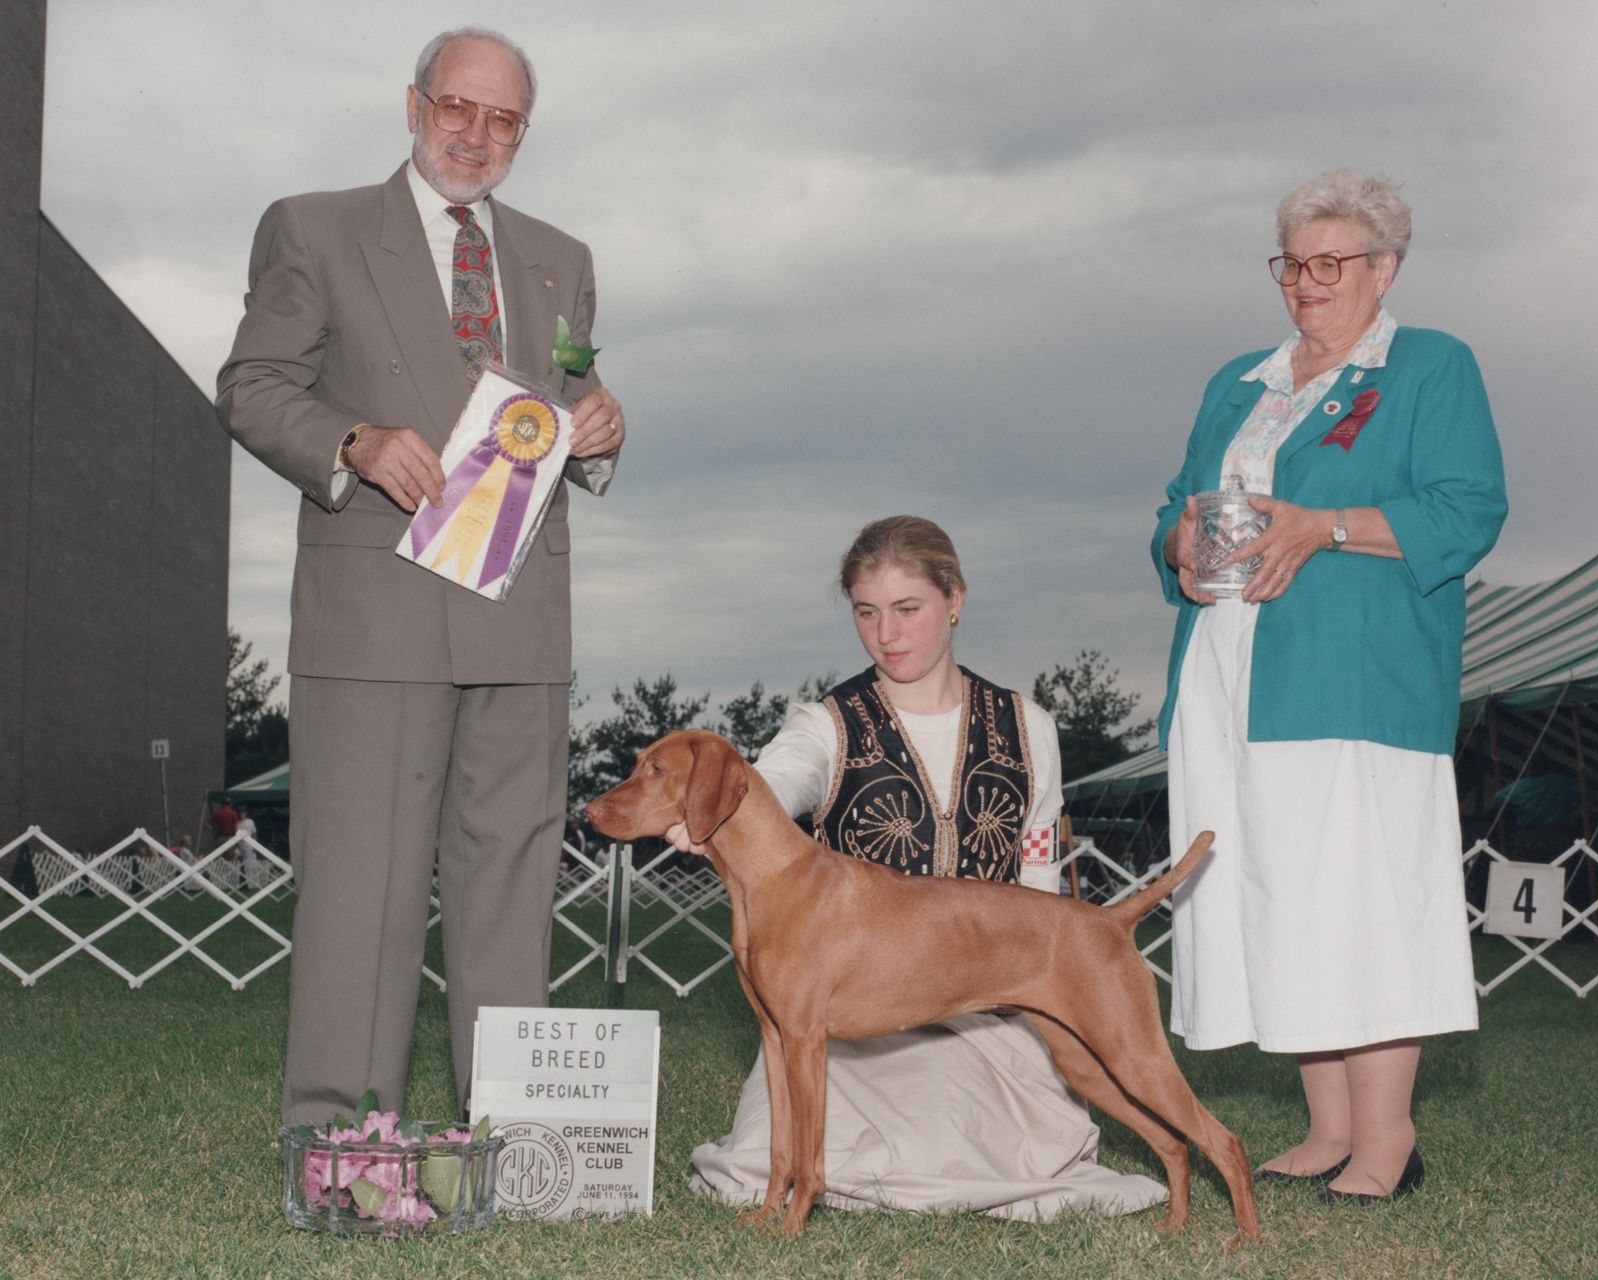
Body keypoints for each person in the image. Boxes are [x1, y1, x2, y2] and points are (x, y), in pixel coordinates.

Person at [217, 26, 626, 1126]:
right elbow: (252, 385)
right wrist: (351, 441)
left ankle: (510, 1139)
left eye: (504, 119)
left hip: (520, 617)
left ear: (522, 133)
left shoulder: (563, 259)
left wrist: (600, 430)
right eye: (457, 107)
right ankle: (343, 1144)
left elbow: (567, 400)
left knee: (511, 892)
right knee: (363, 892)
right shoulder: (314, 228)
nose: (476, 134)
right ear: (413, 106)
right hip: (376, 615)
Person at [1152, 169, 1506, 1202]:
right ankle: (1326, 1127)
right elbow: (1177, 503)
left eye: (1330, 264)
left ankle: (1387, 1138)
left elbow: (1468, 508)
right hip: (1227, 676)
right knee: (1275, 891)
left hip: (1354, 677)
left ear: (1384, 268)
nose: (1306, 283)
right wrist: (1176, 544)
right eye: (1292, 264)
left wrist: (1325, 527)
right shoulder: (1239, 380)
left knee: (1360, 899)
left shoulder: (1431, 366)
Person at [678, 516, 1166, 1219]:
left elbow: (1039, 890)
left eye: (908, 609)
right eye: (866, 612)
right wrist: (717, 807)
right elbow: (776, 783)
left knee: (957, 1137)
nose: (887, 634)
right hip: (847, 1021)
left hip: (982, 1013)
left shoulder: (1028, 725)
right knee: (767, 1161)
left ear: (955, 600)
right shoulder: (823, 724)